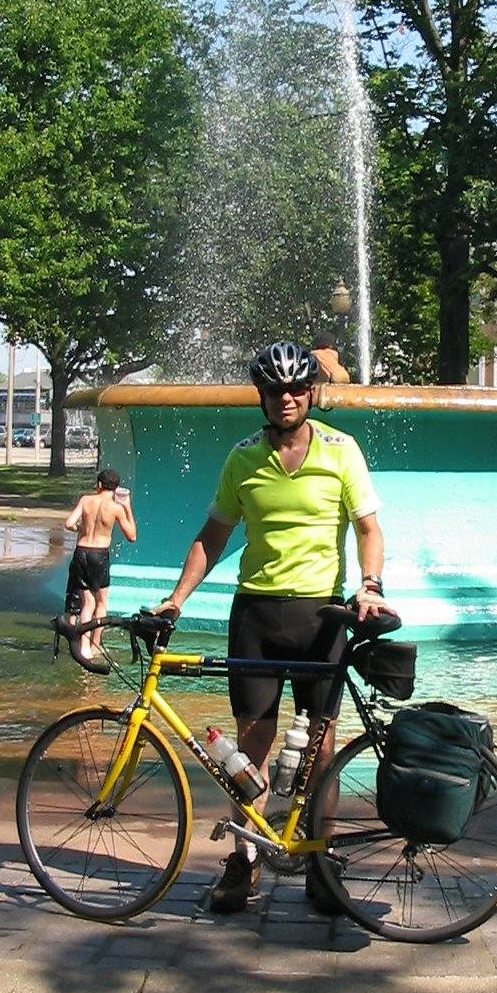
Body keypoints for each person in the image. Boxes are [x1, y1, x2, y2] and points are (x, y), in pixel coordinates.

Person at [156, 339, 390, 916]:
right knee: (251, 747)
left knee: (322, 746)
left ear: (310, 393)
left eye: (295, 389)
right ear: (261, 396)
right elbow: (213, 536)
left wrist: (371, 585)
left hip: (323, 616)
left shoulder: (341, 450)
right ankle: (245, 860)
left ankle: (321, 858)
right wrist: (176, 599)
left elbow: (368, 530)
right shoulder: (242, 458)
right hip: (256, 615)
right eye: (275, 390)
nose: (286, 398)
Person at [64, 468, 137, 648]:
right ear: (116, 488)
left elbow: (69, 523)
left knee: (87, 603)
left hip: (81, 551)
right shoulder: (116, 508)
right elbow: (132, 536)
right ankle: (95, 645)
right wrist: (127, 507)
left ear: (98, 485)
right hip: (100, 554)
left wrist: (80, 529)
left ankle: (82, 645)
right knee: (101, 603)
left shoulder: (86, 500)